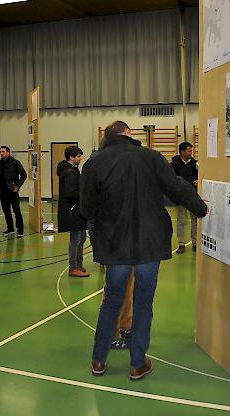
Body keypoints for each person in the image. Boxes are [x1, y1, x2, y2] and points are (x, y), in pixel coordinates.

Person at [81, 120, 207, 381]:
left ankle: (98, 360)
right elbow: (177, 187)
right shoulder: (151, 157)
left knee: (111, 303)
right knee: (143, 303)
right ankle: (137, 364)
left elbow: (86, 209)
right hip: (150, 243)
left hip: (115, 245)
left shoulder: (94, 162)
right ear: (129, 134)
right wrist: (202, 208)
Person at [58, 146, 89, 278]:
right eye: (78, 156)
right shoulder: (69, 173)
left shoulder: (72, 171)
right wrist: (85, 193)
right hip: (73, 209)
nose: (80, 158)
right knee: (76, 239)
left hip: (77, 209)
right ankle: (73, 267)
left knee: (81, 237)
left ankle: (78, 264)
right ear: (72, 157)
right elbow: (70, 192)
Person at [171, 141, 199, 253]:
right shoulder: (174, 164)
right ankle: (181, 244)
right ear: (182, 151)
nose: (190, 153)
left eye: (191, 151)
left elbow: (197, 175)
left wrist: (197, 181)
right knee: (181, 220)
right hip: (181, 196)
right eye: (189, 151)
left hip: (192, 195)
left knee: (195, 220)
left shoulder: (194, 163)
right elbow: (173, 180)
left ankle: (195, 243)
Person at [0, 146, 27, 237]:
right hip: (3, 191)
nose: (1, 153)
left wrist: (17, 186)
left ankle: (20, 229)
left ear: (8, 153)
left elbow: (23, 175)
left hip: (12, 191)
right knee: (6, 211)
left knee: (16, 210)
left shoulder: (15, 163)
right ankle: (10, 229)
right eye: (0, 151)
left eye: (3, 151)